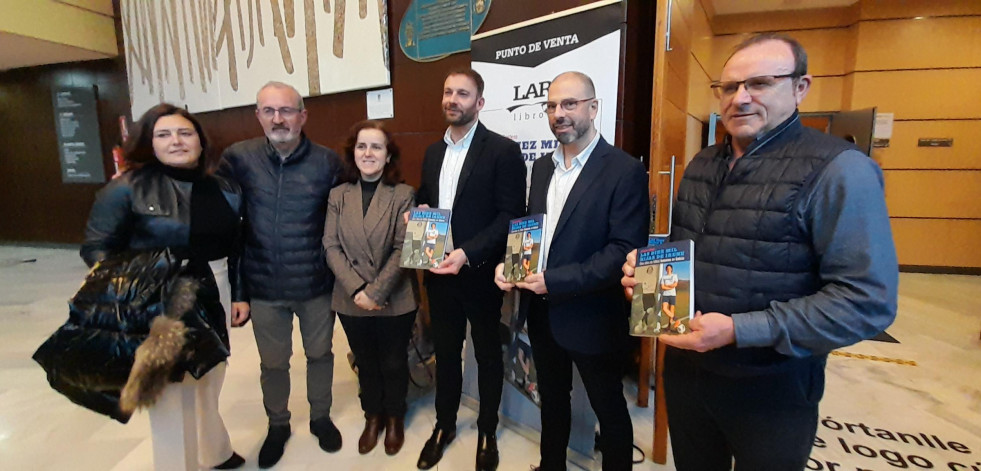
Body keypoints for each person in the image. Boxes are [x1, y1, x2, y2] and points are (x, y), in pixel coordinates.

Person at [621, 33, 898, 470]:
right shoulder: (701, 164)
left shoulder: (840, 170)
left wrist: (738, 329)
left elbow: (866, 301)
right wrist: (648, 275)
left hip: (772, 387)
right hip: (688, 375)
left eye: (760, 84)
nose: (740, 98)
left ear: (800, 87)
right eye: (729, 87)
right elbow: (686, 250)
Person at [495, 71, 650, 471]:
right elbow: (536, 231)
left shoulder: (624, 170)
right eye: (551, 106)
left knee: (609, 408)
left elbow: (623, 251)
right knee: (552, 398)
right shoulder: (543, 168)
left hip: (593, 316)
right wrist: (512, 265)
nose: (558, 113)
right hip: (543, 313)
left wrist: (555, 281)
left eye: (569, 104)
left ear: (593, 108)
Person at [80, 103, 247, 470]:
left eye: (185, 133)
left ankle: (215, 450)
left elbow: (237, 247)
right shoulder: (125, 189)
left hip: (214, 288)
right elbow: (95, 247)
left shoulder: (224, 188)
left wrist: (239, 294)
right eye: (164, 134)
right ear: (148, 143)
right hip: (158, 296)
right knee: (171, 396)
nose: (177, 141)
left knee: (209, 376)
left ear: (201, 142)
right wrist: (136, 292)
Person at [219, 81, 343, 468]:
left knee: (320, 355)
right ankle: (278, 424)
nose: (278, 118)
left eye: (287, 110)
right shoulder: (237, 159)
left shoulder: (328, 163)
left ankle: (320, 418)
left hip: (316, 284)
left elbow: (347, 220)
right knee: (273, 363)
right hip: (264, 285)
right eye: (268, 110)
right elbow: (226, 228)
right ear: (257, 115)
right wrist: (238, 292)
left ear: (303, 116)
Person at [414, 68, 526, 471]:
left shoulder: (501, 151)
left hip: (479, 273)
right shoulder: (431, 152)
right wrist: (422, 209)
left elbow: (510, 215)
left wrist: (466, 252)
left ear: (479, 103)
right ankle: (444, 425)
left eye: (462, 93)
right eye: (448, 92)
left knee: (486, 355)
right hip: (438, 275)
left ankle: (487, 430)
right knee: (445, 353)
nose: (452, 99)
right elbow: (427, 198)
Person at [323, 120, 417, 456]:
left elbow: (404, 248)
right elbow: (330, 245)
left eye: (376, 146)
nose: (368, 153)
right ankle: (372, 416)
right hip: (350, 298)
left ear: (388, 154)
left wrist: (375, 291)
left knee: (393, 361)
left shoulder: (404, 194)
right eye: (362, 146)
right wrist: (357, 289)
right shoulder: (338, 195)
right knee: (365, 360)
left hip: (395, 295)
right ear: (353, 153)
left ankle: (394, 417)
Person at [660, 264, 678, 332]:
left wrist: (666, 286)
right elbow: (662, 287)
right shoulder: (663, 277)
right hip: (665, 295)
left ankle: (669, 327)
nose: (668, 269)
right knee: (664, 308)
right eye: (667, 268)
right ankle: (676, 319)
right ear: (666, 269)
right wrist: (670, 287)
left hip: (673, 295)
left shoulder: (674, 275)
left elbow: (675, 285)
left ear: (672, 269)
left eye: (670, 268)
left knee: (671, 311)